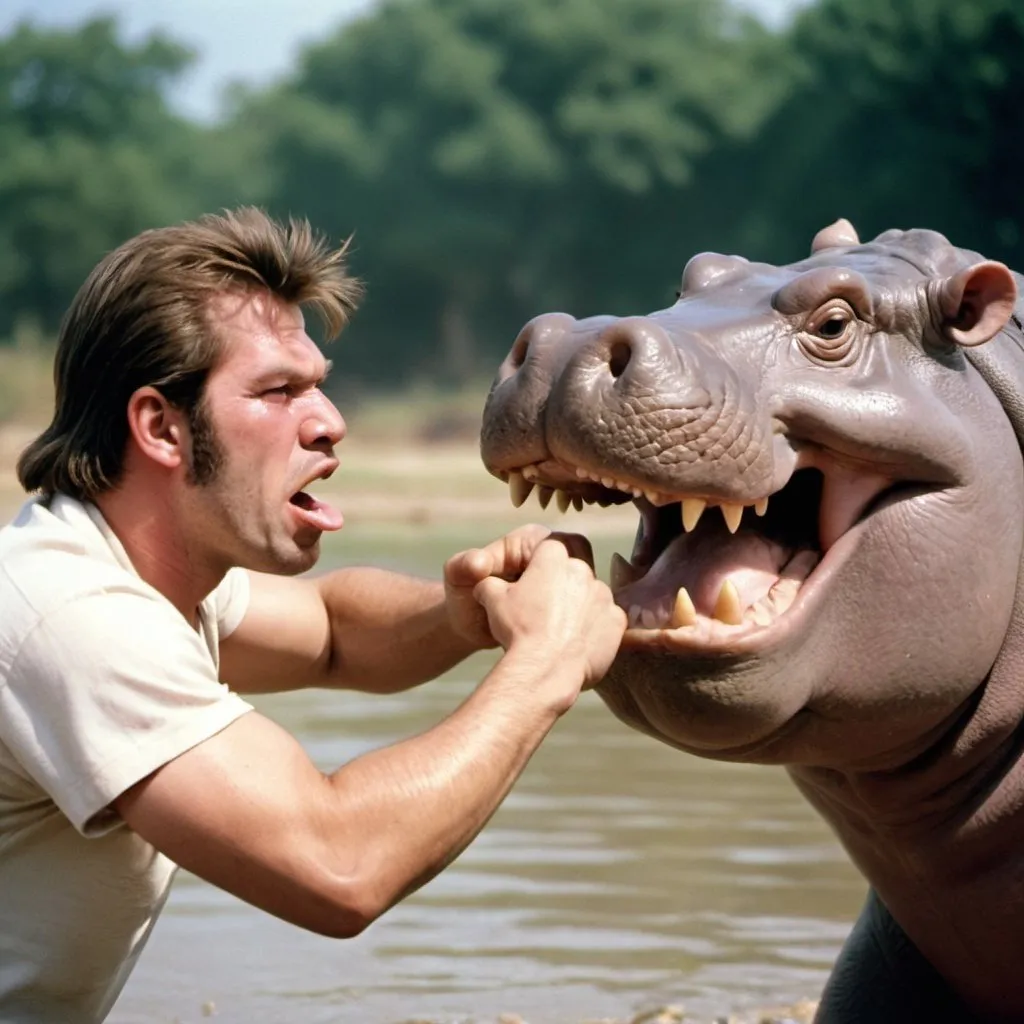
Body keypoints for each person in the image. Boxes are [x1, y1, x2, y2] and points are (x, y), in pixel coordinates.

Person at [0, 207, 627, 1023]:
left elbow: (332, 635)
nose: (329, 421)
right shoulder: (71, 616)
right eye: (278, 391)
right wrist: (545, 665)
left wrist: (460, 614)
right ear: (162, 427)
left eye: (318, 383)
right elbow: (340, 867)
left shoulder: (135, 576)